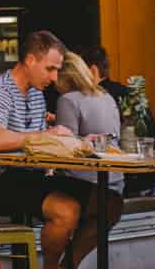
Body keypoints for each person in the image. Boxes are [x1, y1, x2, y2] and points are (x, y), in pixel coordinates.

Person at [0, 30, 110, 269]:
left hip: (30, 174)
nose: (54, 78)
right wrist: (43, 137)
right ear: (30, 60)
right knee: (66, 209)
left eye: (57, 70)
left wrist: (70, 140)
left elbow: (31, 140)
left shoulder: (35, 94)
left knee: (107, 202)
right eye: (50, 69)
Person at [53, 52, 123, 198]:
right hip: (116, 181)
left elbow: (66, 147)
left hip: (84, 184)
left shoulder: (67, 99)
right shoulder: (106, 96)